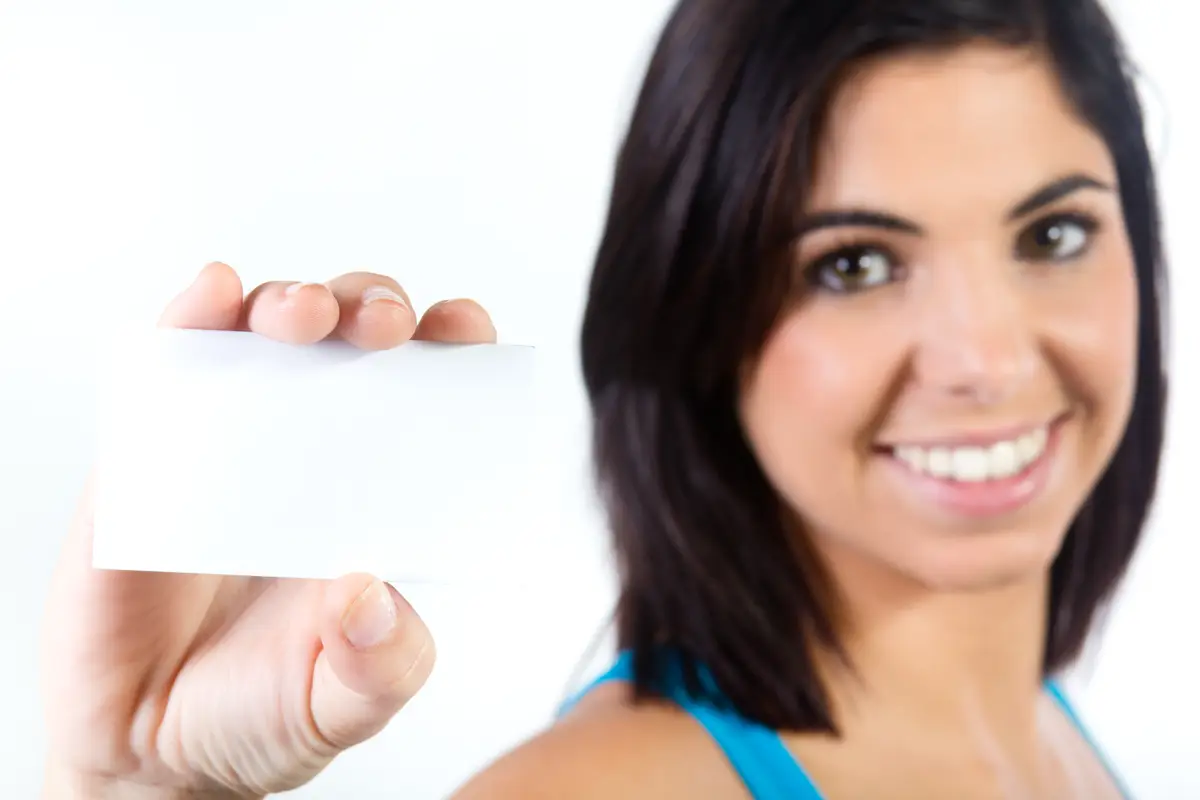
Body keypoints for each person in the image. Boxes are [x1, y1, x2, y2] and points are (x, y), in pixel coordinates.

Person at [40, 0, 1168, 797]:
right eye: (853, 264)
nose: (983, 356)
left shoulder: (1048, 732)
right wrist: (135, 786)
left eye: (1054, 233)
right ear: (696, 320)